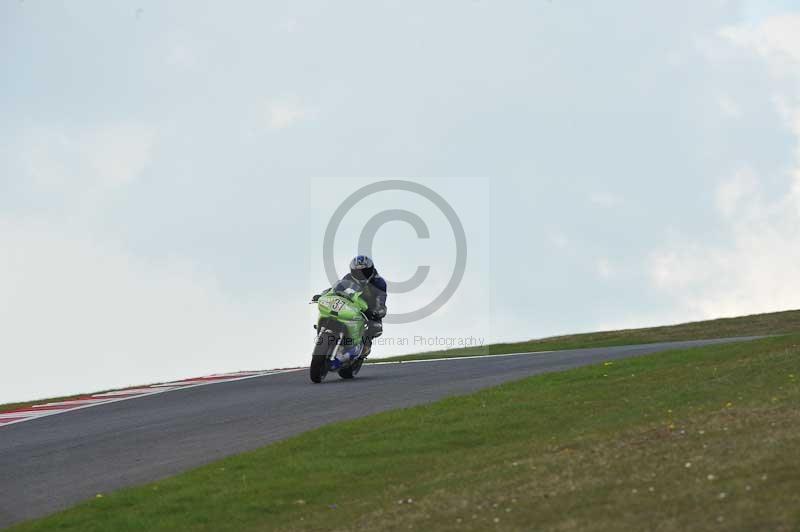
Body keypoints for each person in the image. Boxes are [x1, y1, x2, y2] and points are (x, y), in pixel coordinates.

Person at [313, 255, 387, 357]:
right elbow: (336, 289)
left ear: (371, 270)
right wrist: (323, 295)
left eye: (365, 272)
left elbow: (381, 298)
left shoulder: (378, 282)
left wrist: (377, 311)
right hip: (351, 305)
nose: (361, 275)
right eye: (358, 272)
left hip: (369, 310)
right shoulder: (348, 277)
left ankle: (364, 348)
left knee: (373, 327)